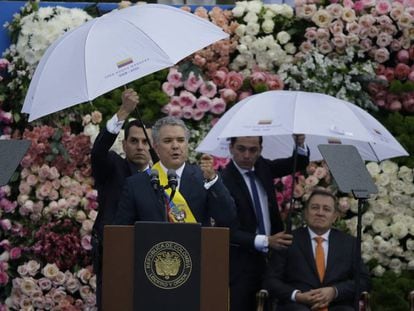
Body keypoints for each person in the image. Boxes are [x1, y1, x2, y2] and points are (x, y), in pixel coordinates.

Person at [219, 135, 310, 311]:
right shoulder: (223, 180)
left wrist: (299, 144)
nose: (247, 155)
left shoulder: (262, 166)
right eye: (241, 149)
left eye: (253, 150)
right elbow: (227, 230)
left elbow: (296, 163)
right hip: (241, 260)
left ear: (260, 150)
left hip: (272, 257)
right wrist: (266, 241)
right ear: (231, 148)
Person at [113, 115, 236, 227]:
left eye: (181, 140)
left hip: (195, 250)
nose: (175, 146)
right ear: (156, 147)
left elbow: (227, 218)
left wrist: (213, 180)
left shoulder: (203, 178)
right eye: (168, 141)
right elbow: (123, 230)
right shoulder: (136, 184)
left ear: (187, 144)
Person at [90, 88, 152, 310]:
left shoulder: (162, 177)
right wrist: (124, 111)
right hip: (115, 257)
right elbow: (98, 152)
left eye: (146, 142)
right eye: (134, 141)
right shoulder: (113, 167)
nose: (140, 147)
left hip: (152, 259)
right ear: (124, 145)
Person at [264, 188, 371, 311]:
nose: (320, 213)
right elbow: (270, 280)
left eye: (326, 209)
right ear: (305, 212)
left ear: (335, 216)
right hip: (297, 305)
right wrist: (297, 296)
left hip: (337, 305)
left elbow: (363, 280)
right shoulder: (287, 240)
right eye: (315, 207)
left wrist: (334, 291)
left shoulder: (349, 243)